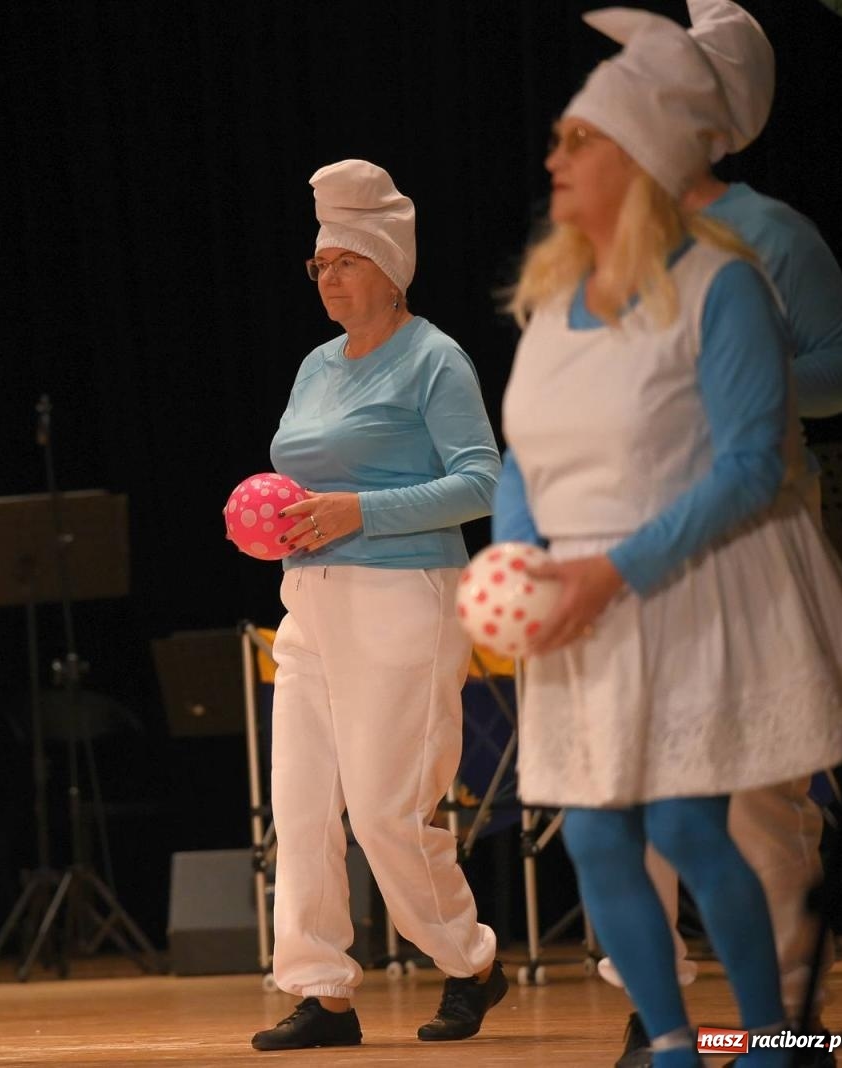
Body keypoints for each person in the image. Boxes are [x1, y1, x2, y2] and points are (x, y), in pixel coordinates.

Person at [495, 11, 842, 1068]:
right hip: (581, 602)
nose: (555, 156)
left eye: (581, 140)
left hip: (691, 583)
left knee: (711, 828)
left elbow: (751, 461)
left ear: (646, 156)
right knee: (603, 835)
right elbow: (526, 452)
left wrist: (611, 568)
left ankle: (780, 1038)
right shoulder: (550, 294)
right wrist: (524, 560)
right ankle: (668, 1042)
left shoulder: (729, 276)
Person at [250, 160, 506, 1053]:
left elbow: (481, 481)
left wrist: (360, 512)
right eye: (318, 266)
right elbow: (304, 469)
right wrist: (272, 513)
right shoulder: (316, 365)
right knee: (303, 807)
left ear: (390, 267)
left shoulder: (434, 357)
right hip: (310, 598)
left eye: (344, 263)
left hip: (405, 597)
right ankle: (322, 994)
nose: (327, 278)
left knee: (385, 810)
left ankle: (470, 960)